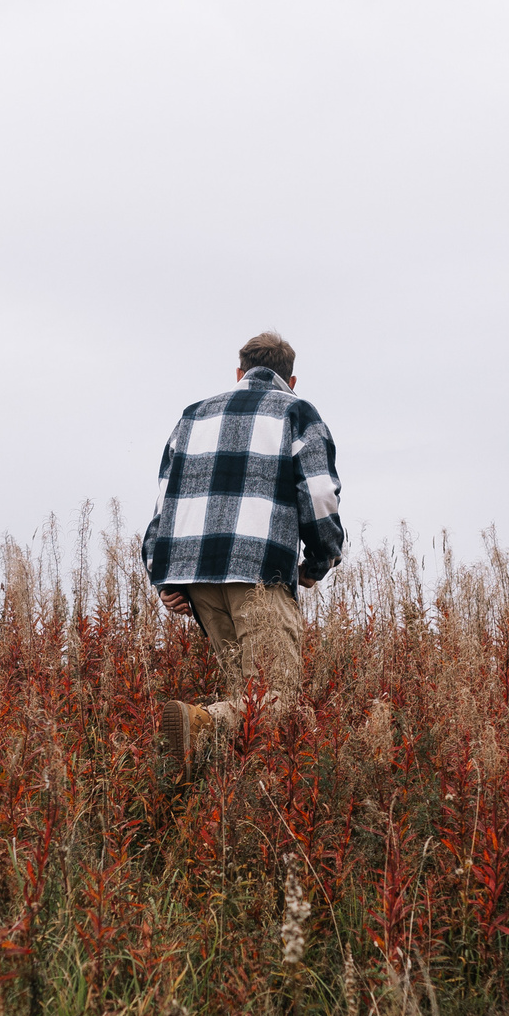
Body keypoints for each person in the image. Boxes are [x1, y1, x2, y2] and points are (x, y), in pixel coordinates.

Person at [140, 331, 347, 783]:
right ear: (290, 378)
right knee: (274, 698)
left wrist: (164, 578)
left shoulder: (192, 416)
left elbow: (163, 504)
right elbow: (320, 496)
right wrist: (317, 564)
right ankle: (201, 723)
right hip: (261, 573)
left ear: (239, 373)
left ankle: (232, 793)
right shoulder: (297, 411)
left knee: (244, 694)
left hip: (197, 580)